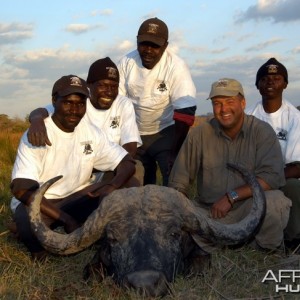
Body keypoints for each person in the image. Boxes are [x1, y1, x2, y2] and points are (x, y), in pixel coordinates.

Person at [10, 75, 135, 260]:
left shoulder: (91, 131)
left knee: (123, 192)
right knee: (27, 221)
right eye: (68, 103)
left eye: (80, 104)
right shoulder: (38, 132)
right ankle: (37, 244)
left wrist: (112, 186)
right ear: (54, 101)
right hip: (42, 202)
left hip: (77, 196)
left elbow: (127, 163)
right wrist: (66, 219)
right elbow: (21, 189)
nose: (74, 110)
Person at [168, 78, 291, 253]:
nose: (223, 109)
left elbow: (272, 177)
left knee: (275, 201)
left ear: (243, 103)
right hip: (210, 213)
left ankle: (264, 250)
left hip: (248, 209)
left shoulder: (262, 131)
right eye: (217, 103)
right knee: (173, 215)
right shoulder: (199, 134)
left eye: (229, 102)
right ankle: (220, 247)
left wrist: (231, 196)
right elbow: (178, 183)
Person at [27, 57, 143, 186]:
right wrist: (37, 120)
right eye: (103, 85)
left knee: (135, 169)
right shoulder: (78, 104)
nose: (109, 92)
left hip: (107, 167)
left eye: (114, 86)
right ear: (89, 85)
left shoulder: (123, 103)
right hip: (75, 170)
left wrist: (111, 166)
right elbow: (41, 111)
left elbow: (130, 148)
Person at [117, 17, 197, 186]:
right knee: (136, 183)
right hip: (134, 133)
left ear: (165, 46)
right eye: (143, 44)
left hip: (165, 132)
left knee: (173, 180)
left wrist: (174, 153)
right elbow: (117, 104)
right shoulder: (126, 62)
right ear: (137, 42)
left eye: (155, 46)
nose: (148, 50)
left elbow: (185, 111)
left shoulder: (176, 66)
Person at [246, 57, 300, 246]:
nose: (270, 81)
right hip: (251, 176)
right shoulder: (248, 116)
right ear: (257, 85)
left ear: (285, 84)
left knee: (294, 186)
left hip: (282, 177)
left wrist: (270, 180)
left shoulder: (294, 118)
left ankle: (293, 239)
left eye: (277, 78)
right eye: (264, 78)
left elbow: (297, 167)